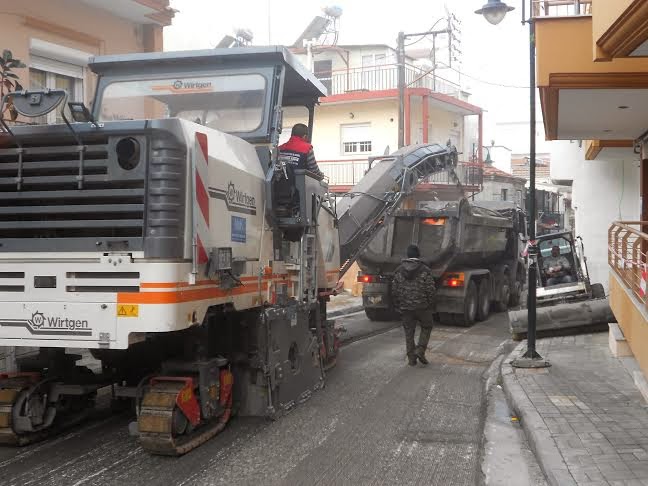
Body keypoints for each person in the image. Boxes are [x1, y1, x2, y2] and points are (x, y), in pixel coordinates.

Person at [391, 245, 436, 366]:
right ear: (418, 255)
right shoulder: (425, 270)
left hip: (405, 308)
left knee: (409, 332)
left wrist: (398, 304)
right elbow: (430, 290)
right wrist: (430, 304)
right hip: (422, 307)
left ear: (407, 255)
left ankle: (411, 359)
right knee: (427, 326)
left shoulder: (399, 270)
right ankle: (420, 350)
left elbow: (394, 290)